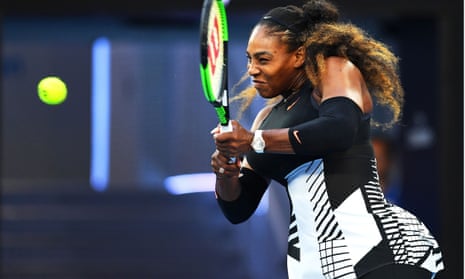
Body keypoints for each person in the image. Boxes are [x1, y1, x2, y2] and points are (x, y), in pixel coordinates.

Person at [209, 0, 444, 278]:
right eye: (249, 59)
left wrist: (253, 141)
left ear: (298, 55)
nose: (252, 70)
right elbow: (238, 208)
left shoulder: (335, 70)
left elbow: (338, 131)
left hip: (381, 253)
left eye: (263, 59)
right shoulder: (265, 120)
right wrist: (225, 171)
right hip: (320, 267)